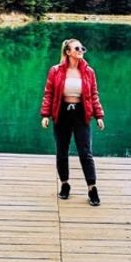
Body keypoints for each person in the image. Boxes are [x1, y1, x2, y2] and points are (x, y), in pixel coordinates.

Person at [39, 38, 105, 205]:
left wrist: (99, 116)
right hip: (61, 114)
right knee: (62, 151)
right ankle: (65, 184)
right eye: (77, 48)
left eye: (82, 48)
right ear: (67, 52)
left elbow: (94, 95)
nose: (81, 51)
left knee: (85, 152)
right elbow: (49, 94)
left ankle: (92, 188)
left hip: (81, 114)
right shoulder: (56, 71)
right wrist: (45, 115)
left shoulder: (89, 71)